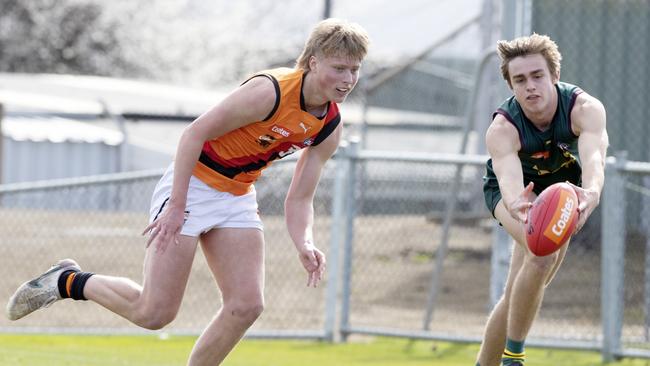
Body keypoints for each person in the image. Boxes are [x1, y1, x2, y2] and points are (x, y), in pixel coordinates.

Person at [6, 18, 370, 366]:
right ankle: (66, 281)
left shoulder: (330, 125)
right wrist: (177, 205)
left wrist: (304, 242)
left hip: (238, 194)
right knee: (154, 314)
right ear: (313, 61)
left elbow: (300, 197)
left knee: (247, 305)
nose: (348, 79)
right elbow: (193, 134)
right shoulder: (269, 91)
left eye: (354, 70)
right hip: (193, 183)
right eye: (339, 68)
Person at [477, 34, 608, 366]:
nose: (530, 86)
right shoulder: (502, 128)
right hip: (516, 195)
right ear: (511, 85)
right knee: (542, 255)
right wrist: (516, 203)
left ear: (554, 76)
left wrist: (592, 192)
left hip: (564, 191)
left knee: (522, 289)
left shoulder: (585, 109)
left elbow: (595, 159)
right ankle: (513, 357)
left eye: (537, 76)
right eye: (519, 80)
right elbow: (508, 177)